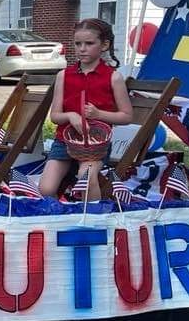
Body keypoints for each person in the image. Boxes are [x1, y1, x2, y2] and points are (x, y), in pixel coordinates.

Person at [38, 18, 133, 202]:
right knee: (46, 188)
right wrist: (70, 115)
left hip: (95, 145)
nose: (82, 49)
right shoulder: (64, 76)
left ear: (104, 45)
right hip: (64, 142)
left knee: (85, 178)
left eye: (89, 43)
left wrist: (99, 114)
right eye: (78, 44)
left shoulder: (113, 77)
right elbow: (55, 116)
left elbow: (127, 116)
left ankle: (92, 215)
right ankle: (59, 215)